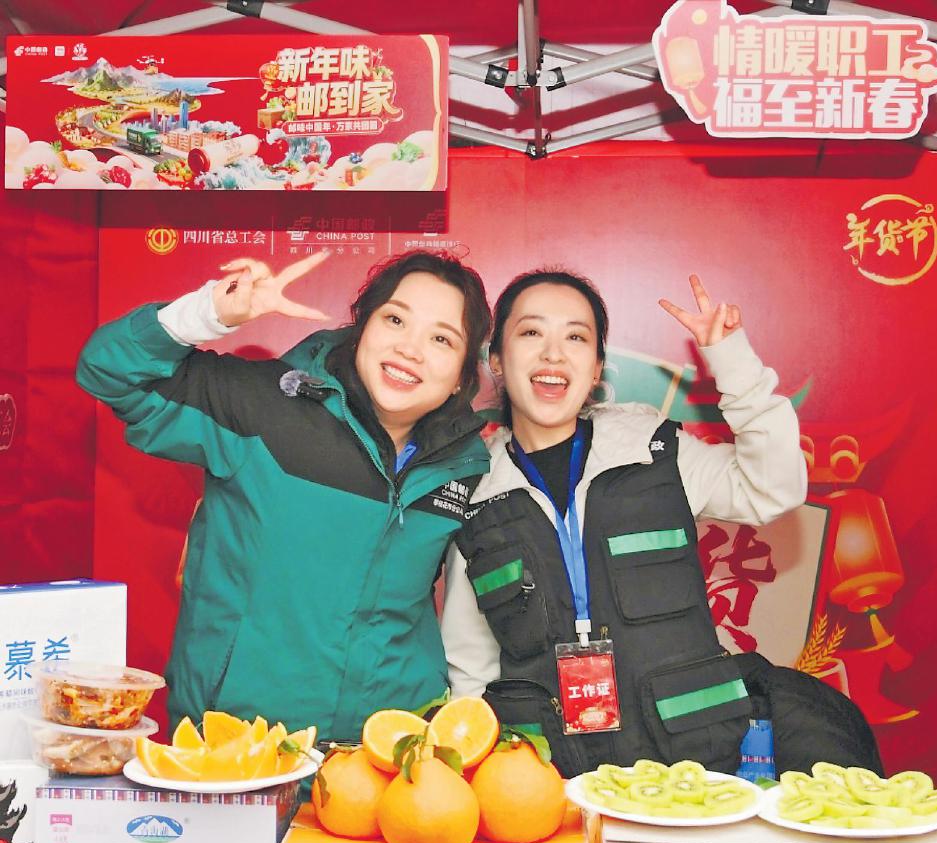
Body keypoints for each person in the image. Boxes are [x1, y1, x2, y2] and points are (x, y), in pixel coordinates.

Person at [77, 250, 492, 743]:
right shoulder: (262, 406)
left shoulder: (467, 463)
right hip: (240, 745)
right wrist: (210, 311)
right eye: (395, 319)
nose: (411, 349)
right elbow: (108, 370)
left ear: (462, 376)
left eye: (442, 339)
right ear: (361, 328)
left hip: (387, 753)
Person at [440, 269, 810, 777]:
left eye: (576, 337)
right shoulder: (474, 495)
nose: (553, 354)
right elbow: (470, 667)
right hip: (550, 782)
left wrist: (734, 364)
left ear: (596, 368)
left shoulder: (656, 451)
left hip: (694, 772)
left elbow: (775, 487)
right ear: (497, 360)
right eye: (531, 332)